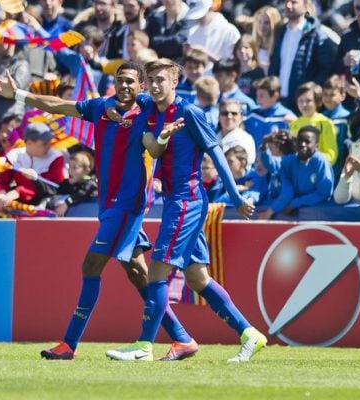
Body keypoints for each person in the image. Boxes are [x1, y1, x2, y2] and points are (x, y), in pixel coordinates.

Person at [0, 61, 199, 361]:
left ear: (140, 87)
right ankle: (182, 338)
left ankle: (69, 344)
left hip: (128, 205)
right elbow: (59, 105)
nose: (124, 86)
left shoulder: (148, 109)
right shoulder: (100, 107)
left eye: (130, 82)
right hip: (109, 205)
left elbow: (170, 103)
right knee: (138, 273)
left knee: (90, 267)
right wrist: (18, 94)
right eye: (119, 80)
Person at [104, 58, 261, 363]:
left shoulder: (190, 112)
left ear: (175, 83)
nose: (155, 85)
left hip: (186, 202)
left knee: (157, 274)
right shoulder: (149, 106)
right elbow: (126, 96)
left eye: (162, 79)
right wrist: (113, 109)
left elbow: (215, 152)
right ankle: (249, 334)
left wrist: (235, 195)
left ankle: (144, 346)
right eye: (152, 80)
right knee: (197, 279)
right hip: (177, 200)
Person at [258, 125, 334, 219]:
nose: (302, 144)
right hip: (297, 211)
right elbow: (272, 165)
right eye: (300, 141)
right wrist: (265, 145)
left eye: (307, 142)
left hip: (320, 212)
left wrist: (295, 203)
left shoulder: (320, 160)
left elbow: (324, 192)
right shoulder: (291, 160)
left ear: (316, 145)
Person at [289, 82, 338, 165]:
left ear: (317, 101)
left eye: (308, 101)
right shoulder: (294, 124)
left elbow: (331, 156)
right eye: (301, 100)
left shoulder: (325, 123)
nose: (304, 104)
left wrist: (310, 159)